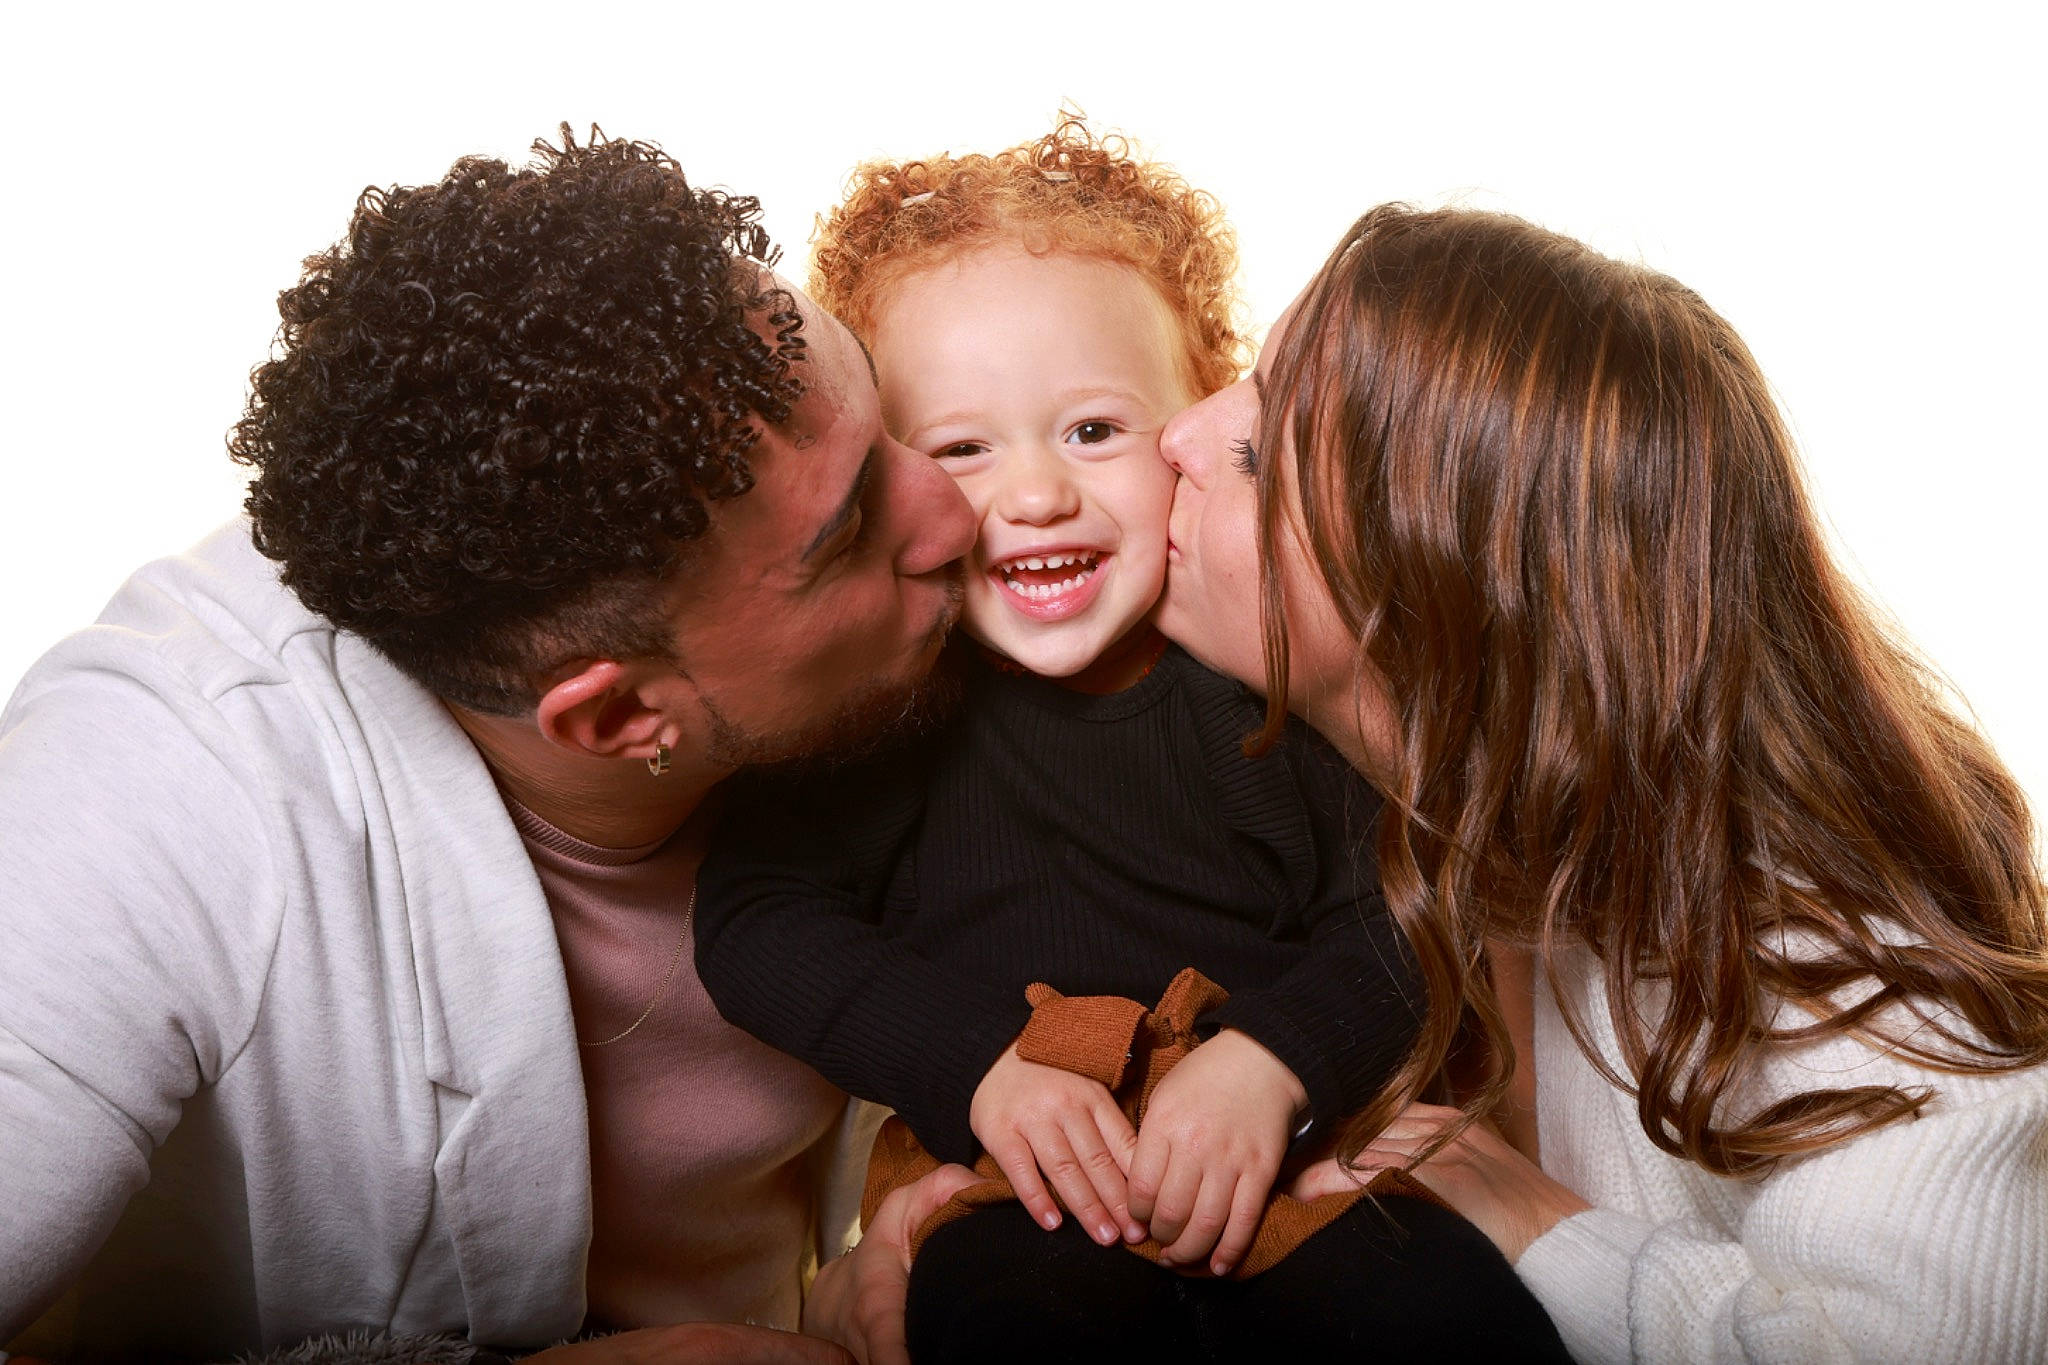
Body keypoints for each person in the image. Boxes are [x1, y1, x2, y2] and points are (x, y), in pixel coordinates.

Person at [0, 126, 982, 1364]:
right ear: (621, 717)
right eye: (847, 537)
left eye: (885, 417)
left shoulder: (954, 633)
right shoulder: (151, 791)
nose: (955, 509)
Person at [694, 123, 1568, 1361]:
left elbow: (1409, 909)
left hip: (1299, 1174)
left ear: (1193, 429)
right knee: (1007, 1321)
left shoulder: (1266, 685)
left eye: (1092, 431)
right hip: (1023, 1190)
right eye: (959, 449)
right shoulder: (881, 709)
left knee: (1448, 1313)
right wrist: (977, 1068)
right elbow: (758, 927)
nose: (1035, 494)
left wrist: (1277, 1061)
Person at [1156, 202, 2048, 1363]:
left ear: (1442, 589)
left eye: (1256, 451)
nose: (1178, 434)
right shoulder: (1453, 840)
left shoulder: (1844, 965)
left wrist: (1538, 1222)